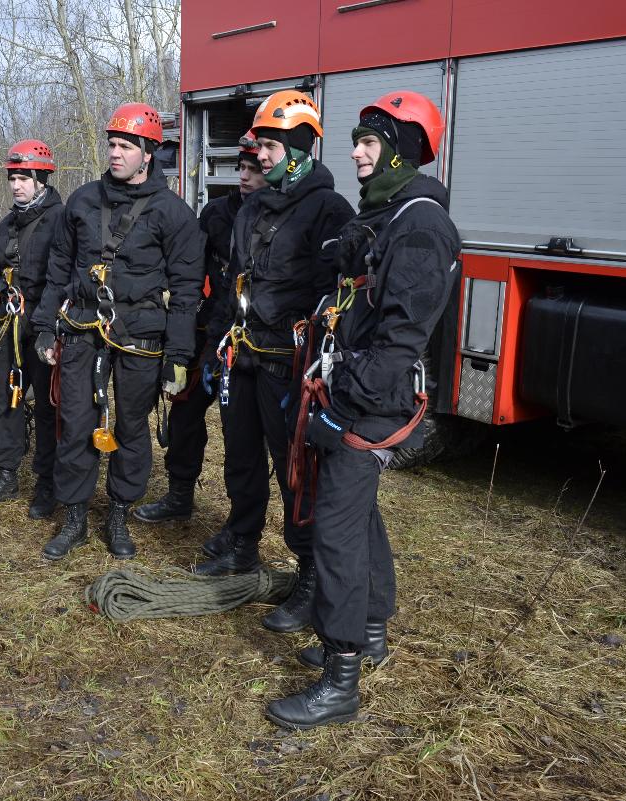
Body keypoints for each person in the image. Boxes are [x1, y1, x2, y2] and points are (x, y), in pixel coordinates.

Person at [265, 91, 461, 729]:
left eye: (370, 142)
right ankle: (371, 631)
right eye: (357, 141)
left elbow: (402, 336)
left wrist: (341, 402)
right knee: (359, 515)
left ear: (400, 151)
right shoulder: (387, 215)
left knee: (337, 530)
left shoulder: (422, 226)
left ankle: (339, 675)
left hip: (368, 401)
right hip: (359, 392)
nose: (355, 151)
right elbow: (351, 263)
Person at [195, 90, 354, 638]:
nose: (258, 156)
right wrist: (216, 344)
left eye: (267, 146)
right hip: (243, 353)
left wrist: (318, 366)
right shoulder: (255, 207)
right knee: (239, 456)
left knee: (295, 472)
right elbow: (232, 285)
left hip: (289, 365)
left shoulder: (329, 211)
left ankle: (309, 574)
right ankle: (242, 544)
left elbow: (334, 294)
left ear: (299, 147)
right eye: (258, 146)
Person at [32, 102, 203, 561]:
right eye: (111, 144)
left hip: (140, 337)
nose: (115, 152)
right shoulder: (83, 201)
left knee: (131, 430)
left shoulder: (174, 214)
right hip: (83, 328)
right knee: (75, 425)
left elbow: (187, 292)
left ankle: (119, 515)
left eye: (125, 146)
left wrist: (179, 357)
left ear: (148, 153)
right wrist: (45, 326)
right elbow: (58, 270)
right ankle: (74, 518)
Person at [133, 131, 266, 546]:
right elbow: (188, 268)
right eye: (240, 169)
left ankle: (240, 526)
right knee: (185, 414)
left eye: (253, 170)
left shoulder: (276, 218)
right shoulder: (215, 214)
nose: (244, 177)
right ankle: (179, 495)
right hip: (206, 330)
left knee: (240, 433)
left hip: (248, 340)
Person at [0, 140, 65, 518]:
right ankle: (7, 474)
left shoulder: (61, 219)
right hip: (7, 323)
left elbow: (63, 278)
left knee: (46, 406)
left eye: (24, 177)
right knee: (5, 400)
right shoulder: (8, 223)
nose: (16, 184)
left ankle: (46, 483)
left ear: (41, 178)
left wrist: (50, 326)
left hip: (43, 327)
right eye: (12, 177)